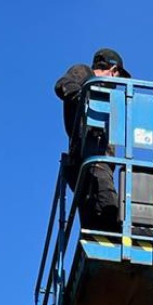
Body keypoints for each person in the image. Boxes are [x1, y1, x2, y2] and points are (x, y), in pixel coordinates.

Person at [53, 48, 131, 232]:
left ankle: (98, 236)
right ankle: (120, 234)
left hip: (97, 163)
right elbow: (63, 85)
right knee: (108, 205)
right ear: (113, 70)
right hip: (91, 159)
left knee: (92, 217)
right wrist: (84, 99)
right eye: (118, 78)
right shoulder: (85, 74)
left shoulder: (106, 97)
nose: (117, 84)